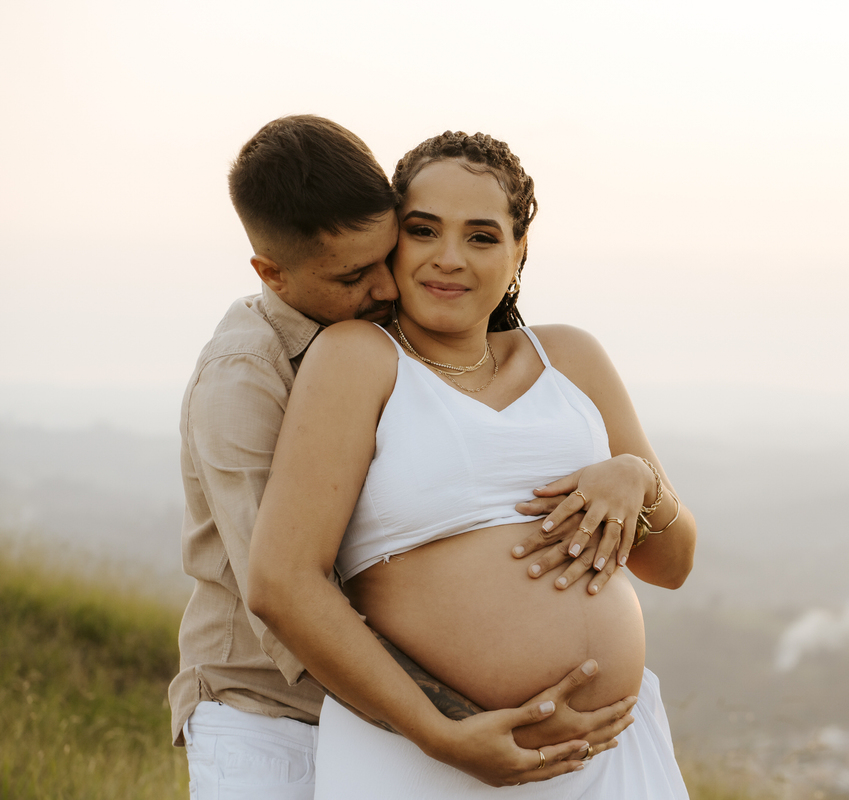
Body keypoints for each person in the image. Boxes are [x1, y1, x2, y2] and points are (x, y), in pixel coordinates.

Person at [171, 116, 639, 798]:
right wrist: (447, 724)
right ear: (273, 274)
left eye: (386, 255)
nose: (390, 288)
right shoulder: (244, 376)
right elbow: (284, 598)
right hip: (267, 714)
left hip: (393, 722)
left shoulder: (391, 343)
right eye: (356, 274)